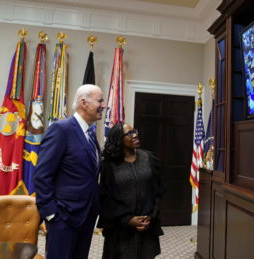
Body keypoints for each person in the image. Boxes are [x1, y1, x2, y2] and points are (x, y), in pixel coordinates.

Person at [33, 84, 105, 259]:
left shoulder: (89, 133)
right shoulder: (61, 129)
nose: (104, 105)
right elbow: (42, 175)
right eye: (100, 101)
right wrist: (51, 214)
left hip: (86, 214)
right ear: (84, 102)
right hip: (63, 217)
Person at [98, 123, 165, 259]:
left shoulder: (148, 158)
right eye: (129, 133)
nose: (135, 135)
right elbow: (106, 199)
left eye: (135, 131)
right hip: (121, 229)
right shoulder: (110, 165)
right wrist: (128, 219)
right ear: (118, 139)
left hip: (147, 226)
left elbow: (157, 190)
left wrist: (150, 215)